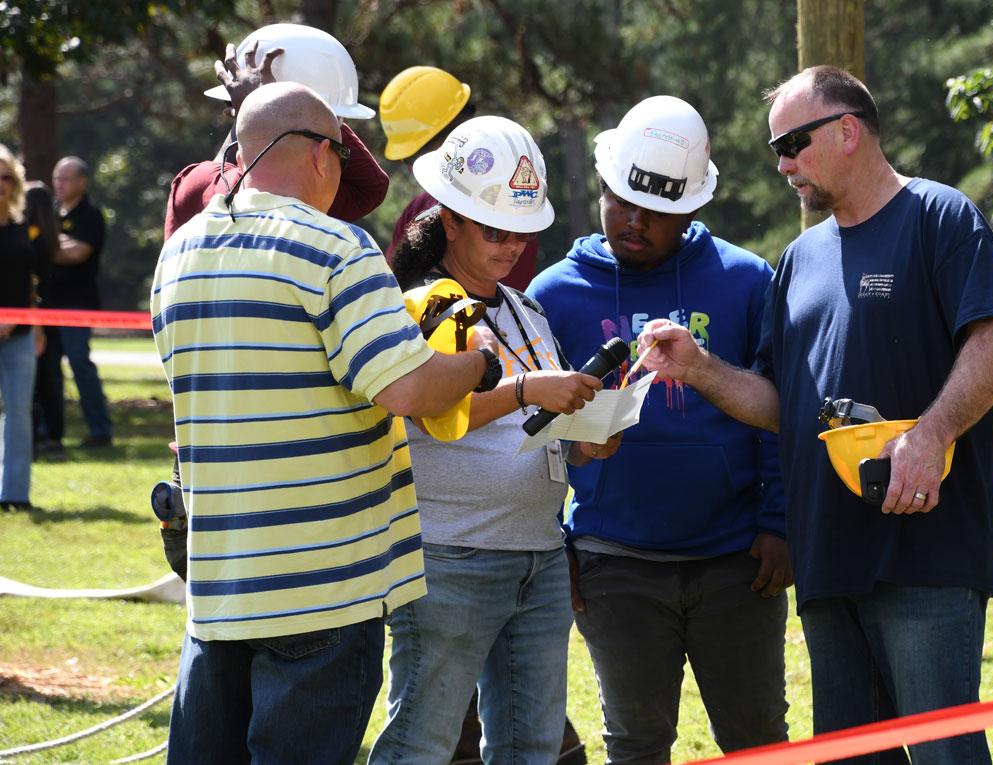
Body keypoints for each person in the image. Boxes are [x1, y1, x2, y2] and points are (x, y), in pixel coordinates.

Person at [637, 66, 993, 764]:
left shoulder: (939, 217)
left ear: (848, 129)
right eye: (775, 151)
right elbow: (781, 406)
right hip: (828, 555)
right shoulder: (797, 259)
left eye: (793, 142)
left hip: (925, 552)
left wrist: (930, 433)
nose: (784, 164)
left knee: (944, 752)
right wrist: (699, 368)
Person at [152, 81, 497, 764]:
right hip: (325, 586)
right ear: (318, 155)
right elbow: (407, 388)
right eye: (341, 155)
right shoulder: (335, 246)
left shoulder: (178, 253)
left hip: (220, 581)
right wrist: (478, 364)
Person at [527, 96, 791, 763]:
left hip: (736, 562)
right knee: (636, 742)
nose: (634, 221)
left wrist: (779, 520)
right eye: (620, 202)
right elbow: (529, 438)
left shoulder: (743, 280)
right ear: (602, 187)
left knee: (756, 738)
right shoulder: (554, 294)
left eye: (656, 212)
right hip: (614, 563)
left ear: (692, 209)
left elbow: (777, 411)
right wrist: (553, 539)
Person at [368, 115, 611, 765]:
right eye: (493, 229)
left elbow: (529, 426)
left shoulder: (525, 308)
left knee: (530, 746)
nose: (510, 245)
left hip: (535, 553)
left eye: (521, 231)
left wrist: (583, 438)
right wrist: (530, 389)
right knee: (422, 738)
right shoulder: (421, 306)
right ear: (448, 218)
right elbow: (429, 410)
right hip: (450, 554)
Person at [163, 22, 390, 239]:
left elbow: (371, 189)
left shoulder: (195, 185)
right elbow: (371, 188)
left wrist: (258, 107)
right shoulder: (312, 195)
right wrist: (309, 112)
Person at [378, 66, 537, 290]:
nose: (412, 169)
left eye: (416, 158)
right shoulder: (415, 212)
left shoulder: (510, 211)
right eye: (407, 161)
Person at [34, 155, 113, 451]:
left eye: (65, 178)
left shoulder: (90, 215)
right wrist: (57, 243)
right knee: (48, 369)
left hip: (76, 304)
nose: (59, 184)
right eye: (56, 178)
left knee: (80, 363)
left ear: (82, 182)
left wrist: (47, 244)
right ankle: (50, 433)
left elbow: (76, 253)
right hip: (46, 305)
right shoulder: (51, 211)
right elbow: (58, 249)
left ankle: (100, 431)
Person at [0, 146, 42, 512]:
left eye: (6, 176)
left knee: (18, 414)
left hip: (22, 334)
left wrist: (34, 322)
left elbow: (30, 280)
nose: (0, 184)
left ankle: (15, 495)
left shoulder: (21, 226)